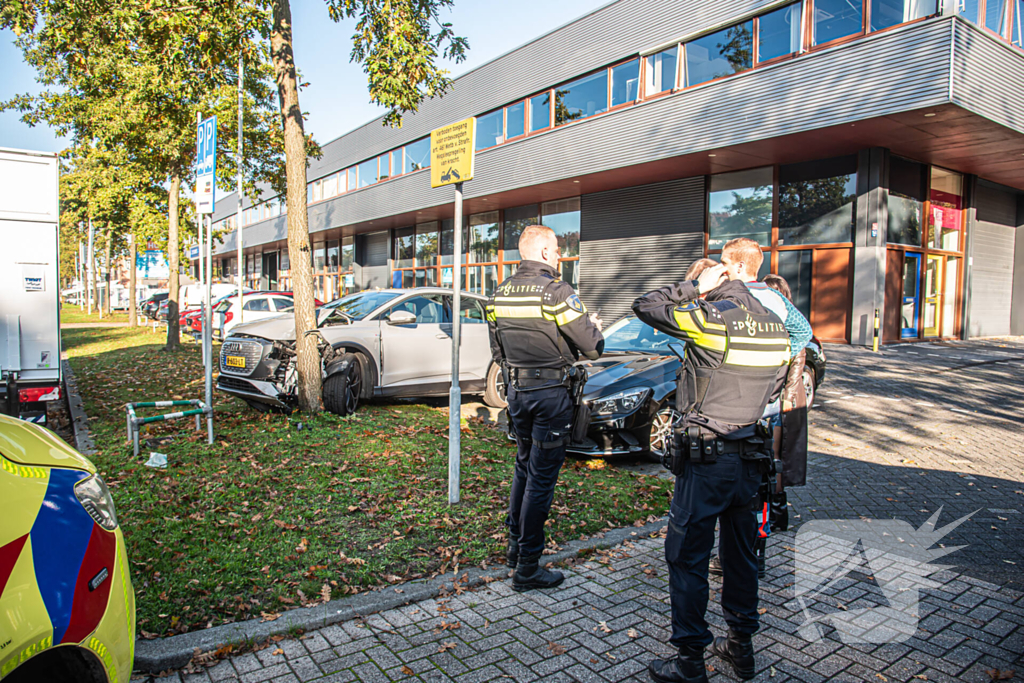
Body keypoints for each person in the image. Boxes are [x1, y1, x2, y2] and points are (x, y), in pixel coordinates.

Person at [633, 263, 790, 683]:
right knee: (742, 559)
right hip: (751, 461)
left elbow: (647, 306)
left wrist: (692, 287)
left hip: (707, 459)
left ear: (716, 283)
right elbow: (775, 386)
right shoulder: (776, 326)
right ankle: (741, 650)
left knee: (687, 559)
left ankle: (690, 663)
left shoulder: (714, 319)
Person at [485, 225, 604, 592]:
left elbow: (497, 352)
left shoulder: (498, 294)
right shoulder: (557, 293)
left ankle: (513, 546)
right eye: (556, 250)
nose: (559, 257)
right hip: (552, 395)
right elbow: (593, 347)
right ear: (545, 252)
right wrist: (594, 328)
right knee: (541, 478)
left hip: (518, 392)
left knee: (523, 466)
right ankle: (528, 567)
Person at [763, 274, 809, 528]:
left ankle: (777, 513)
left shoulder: (792, 329)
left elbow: (796, 367)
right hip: (770, 398)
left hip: (781, 402)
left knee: (775, 458)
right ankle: (770, 512)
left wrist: (788, 400)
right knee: (767, 457)